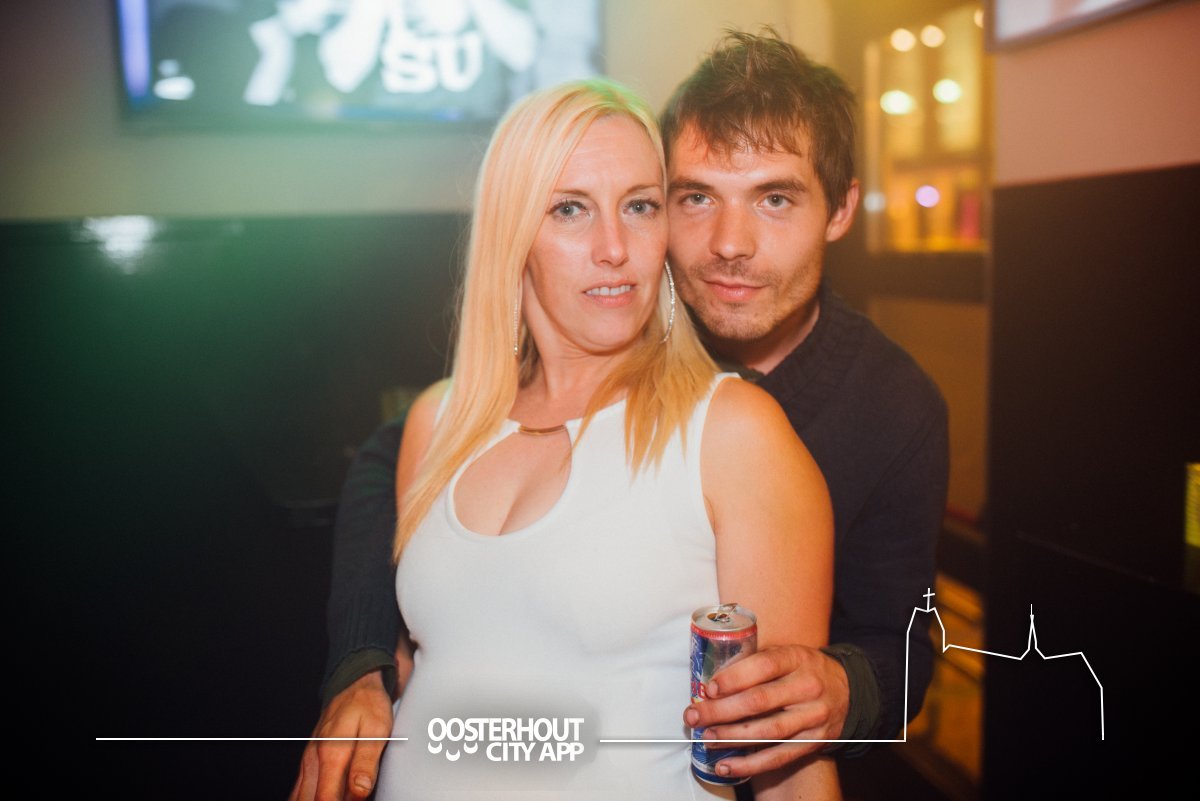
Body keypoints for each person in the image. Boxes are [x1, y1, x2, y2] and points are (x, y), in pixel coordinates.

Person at [290, 29, 947, 801]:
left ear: (841, 209)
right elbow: (392, 471)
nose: (729, 245)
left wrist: (841, 689)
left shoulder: (858, 411)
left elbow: (891, 648)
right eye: (694, 198)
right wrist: (361, 661)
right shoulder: (477, 400)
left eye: (774, 198)